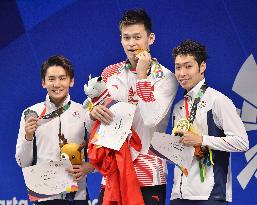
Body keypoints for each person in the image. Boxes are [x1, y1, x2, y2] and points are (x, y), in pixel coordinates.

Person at [85, 9, 178, 205]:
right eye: (126, 37)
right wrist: (92, 112)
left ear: (150, 38)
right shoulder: (110, 73)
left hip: (148, 173)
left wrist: (142, 77)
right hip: (113, 172)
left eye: (137, 37)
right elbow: (93, 122)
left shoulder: (166, 77)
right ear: (120, 39)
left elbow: (152, 118)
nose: (132, 43)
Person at [170, 39, 249, 205]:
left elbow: (242, 142)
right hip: (179, 195)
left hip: (210, 196)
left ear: (202, 66)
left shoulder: (218, 101)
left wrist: (202, 140)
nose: (182, 73)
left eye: (188, 66)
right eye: (178, 67)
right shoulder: (178, 107)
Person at [15, 55, 94, 205]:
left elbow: (100, 154)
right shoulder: (30, 113)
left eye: (62, 78)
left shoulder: (85, 113)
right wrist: (28, 136)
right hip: (44, 197)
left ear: (71, 81)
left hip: (77, 197)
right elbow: (22, 162)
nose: (57, 84)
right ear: (43, 83)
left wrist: (89, 167)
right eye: (51, 79)